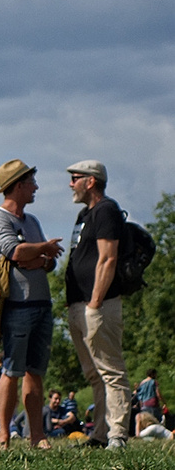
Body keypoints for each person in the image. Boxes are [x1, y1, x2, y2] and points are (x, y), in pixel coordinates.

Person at [0, 159, 62, 450]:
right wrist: (40, 251)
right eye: (31, 182)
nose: (36, 188)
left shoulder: (32, 222)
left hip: (42, 303)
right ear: (18, 186)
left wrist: (39, 257)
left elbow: (44, 261)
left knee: (36, 372)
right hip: (16, 306)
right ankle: (3, 435)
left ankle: (37, 436)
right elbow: (14, 252)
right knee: (12, 370)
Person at [63, 160, 132, 449]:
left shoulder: (105, 210)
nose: (71, 183)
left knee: (110, 371)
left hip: (98, 305)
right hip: (79, 305)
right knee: (94, 374)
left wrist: (94, 302)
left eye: (75, 178)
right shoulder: (85, 213)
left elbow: (108, 258)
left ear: (90, 181)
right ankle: (101, 434)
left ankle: (117, 434)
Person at [137, 370, 164, 434]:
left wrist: (141, 406)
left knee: (145, 421)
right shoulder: (154, 382)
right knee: (155, 421)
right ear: (153, 374)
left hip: (144, 405)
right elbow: (158, 394)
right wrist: (164, 402)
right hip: (153, 404)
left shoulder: (142, 383)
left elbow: (139, 395)